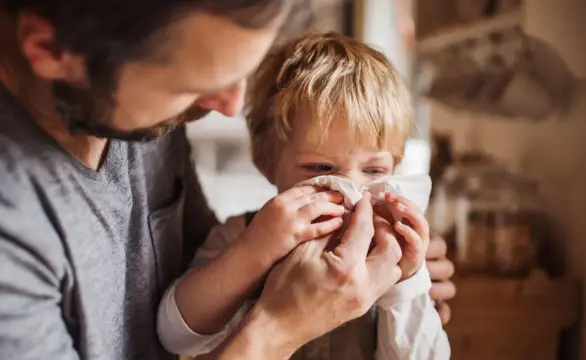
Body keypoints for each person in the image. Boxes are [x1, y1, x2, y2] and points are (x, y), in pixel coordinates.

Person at [0, 1, 455, 359]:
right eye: (191, 83)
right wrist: (279, 325)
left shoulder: (138, 114)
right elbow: (181, 326)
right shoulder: (14, 234)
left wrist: (405, 289)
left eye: (237, 74)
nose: (230, 108)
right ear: (52, 51)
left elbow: (194, 268)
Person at [156, 33, 451, 360]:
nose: (351, 190)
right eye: (321, 167)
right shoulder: (242, 235)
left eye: (374, 171)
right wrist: (255, 249)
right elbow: (176, 337)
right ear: (268, 164)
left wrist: (405, 284)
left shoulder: (390, 252)